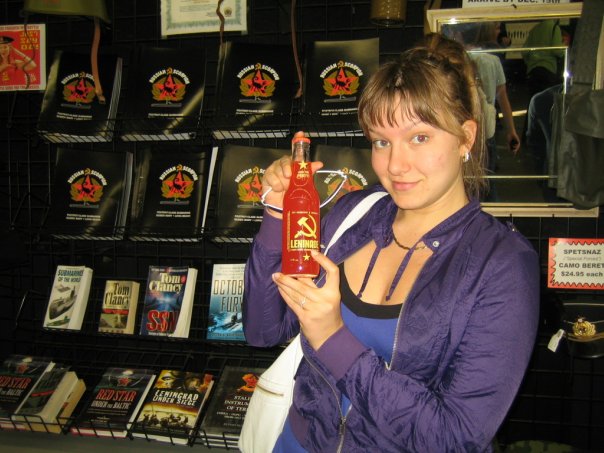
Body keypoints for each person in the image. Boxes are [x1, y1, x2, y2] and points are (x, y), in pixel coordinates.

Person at [243, 33, 539, 452]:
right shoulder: (354, 215)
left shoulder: (502, 263)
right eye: (382, 141)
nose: (396, 165)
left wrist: (332, 338)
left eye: (420, 137)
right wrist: (277, 213)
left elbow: (454, 437)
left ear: (466, 137)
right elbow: (263, 329)